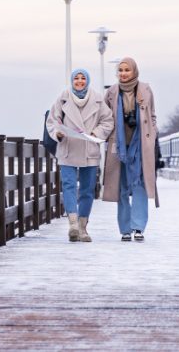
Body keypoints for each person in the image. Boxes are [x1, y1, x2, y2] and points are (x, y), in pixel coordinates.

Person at [46, 68, 114, 242]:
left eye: (83, 78)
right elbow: (52, 121)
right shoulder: (63, 98)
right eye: (76, 78)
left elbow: (108, 121)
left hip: (88, 148)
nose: (79, 81)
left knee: (87, 190)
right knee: (68, 186)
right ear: (72, 81)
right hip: (67, 147)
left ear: (87, 81)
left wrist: (94, 133)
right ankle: (73, 225)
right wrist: (58, 133)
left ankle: (83, 228)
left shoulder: (98, 99)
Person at [102, 57, 159, 242]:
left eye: (127, 70)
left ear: (134, 71)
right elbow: (104, 117)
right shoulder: (111, 92)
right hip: (119, 145)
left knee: (140, 185)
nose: (123, 73)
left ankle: (138, 227)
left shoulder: (145, 89)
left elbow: (152, 115)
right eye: (121, 70)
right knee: (122, 186)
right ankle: (125, 229)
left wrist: (152, 134)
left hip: (141, 145)